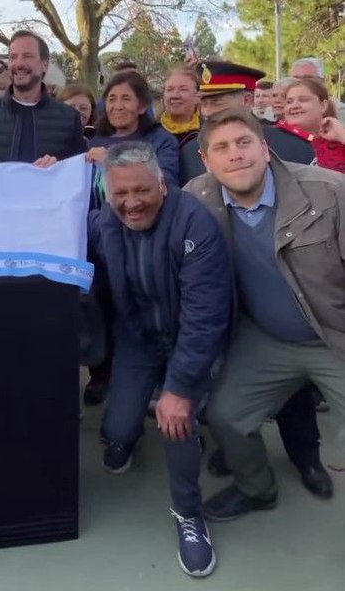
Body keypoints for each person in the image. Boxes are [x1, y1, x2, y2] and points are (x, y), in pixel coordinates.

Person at [186, 108, 345, 522]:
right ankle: (257, 489)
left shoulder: (330, 191)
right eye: (221, 148)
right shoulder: (196, 200)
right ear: (206, 161)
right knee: (225, 414)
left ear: (264, 146)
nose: (235, 155)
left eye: (244, 142)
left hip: (335, 336)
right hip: (268, 338)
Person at [90, 142, 232, 578]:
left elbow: (204, 319)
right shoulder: (101, 225)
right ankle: (130, 425)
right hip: (138, 339)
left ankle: (189, 515)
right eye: (121, 194)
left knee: (176, 421)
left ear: (163, 185)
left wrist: (180, 388)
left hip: (186, 338)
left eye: (141, 191)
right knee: (116, 431)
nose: (131, 204)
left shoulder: (196, 225)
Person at [0, 31, 85, 167]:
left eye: (27, 56)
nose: (19, 63)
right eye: (13, 57)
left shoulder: (69, 118)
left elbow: (81, 170)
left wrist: (60, 166)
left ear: (44, 65)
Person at [179, 62, 315, 185]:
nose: (207, 112)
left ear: (247, 100)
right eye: (203, 104)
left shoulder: (292, 146)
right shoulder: (189, 152)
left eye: (217, 103)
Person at [88, 70, 179, 187]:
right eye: (111, 99)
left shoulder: (161, 141)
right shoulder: (95, 144)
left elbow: (165, 184)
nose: (118, 106)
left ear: (142, 106)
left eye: (126, 99)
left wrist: (112, 163)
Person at [281, 78, 345, 173]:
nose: (294, 106)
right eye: (289, 102)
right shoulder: (273, 138)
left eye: (303, 100)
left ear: (323, 106)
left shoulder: (339, 139)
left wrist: (342, 135)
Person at [159, 67, 201, 147]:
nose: (175, 95)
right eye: (169, 89)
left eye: (183, 89)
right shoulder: (149, 134)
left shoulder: (209, 134)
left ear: (198, 96)